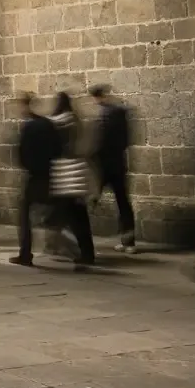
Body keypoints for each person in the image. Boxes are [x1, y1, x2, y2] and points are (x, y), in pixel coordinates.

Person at [11, 92, 59, 268]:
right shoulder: (47, 124)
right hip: (50, 174)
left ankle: (25, 254)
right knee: (60, 211)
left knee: (24, 215)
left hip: (35, 177)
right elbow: (58, 149)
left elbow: (22, 154)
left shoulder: (29, 127)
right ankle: (83, 251)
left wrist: (30, 166)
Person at [48, 91, 95, 267]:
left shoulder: (60, 121)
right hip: (78, 172)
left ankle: (77, 250)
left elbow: (51, 128)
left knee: (70, 217)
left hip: (66, 174)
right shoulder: (76, 120)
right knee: (78, 217)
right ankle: (85, 251)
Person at [89, 84, 137, 253]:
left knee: (90, 200)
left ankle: (81, 241)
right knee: (123, 202)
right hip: (117, 164)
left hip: (104, 166)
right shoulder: (120, 112)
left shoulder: (104, 115)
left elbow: (99, 142)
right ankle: (128, 241)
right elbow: (125, 140)